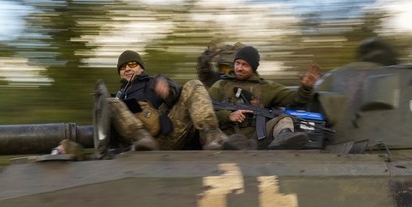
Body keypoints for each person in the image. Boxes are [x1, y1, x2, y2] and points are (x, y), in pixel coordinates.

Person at [108, 50, 247, 151]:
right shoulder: (116, 98)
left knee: (194, 85)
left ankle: (211, 135)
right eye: (122, 67)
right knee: (109, 102)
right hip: (137, 145)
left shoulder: (154, 82)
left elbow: (180, 95)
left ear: (141, 67)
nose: (127, 69)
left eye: (132, 64)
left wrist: (168, 90)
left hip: (166, 137)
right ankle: (142, 139)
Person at [208, 45, 321, 150]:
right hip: (226, 136)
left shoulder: (266, 87)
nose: (239, 68)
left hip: (257, 137)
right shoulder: (221, 85)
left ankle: (283, 137)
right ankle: (226, 144)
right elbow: (206, 111)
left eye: (245, 65)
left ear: (253, 67)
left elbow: (296, 99)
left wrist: (306, 88)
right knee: (208, 126)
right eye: (237, 63)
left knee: (284, 118)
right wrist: (228, 116)